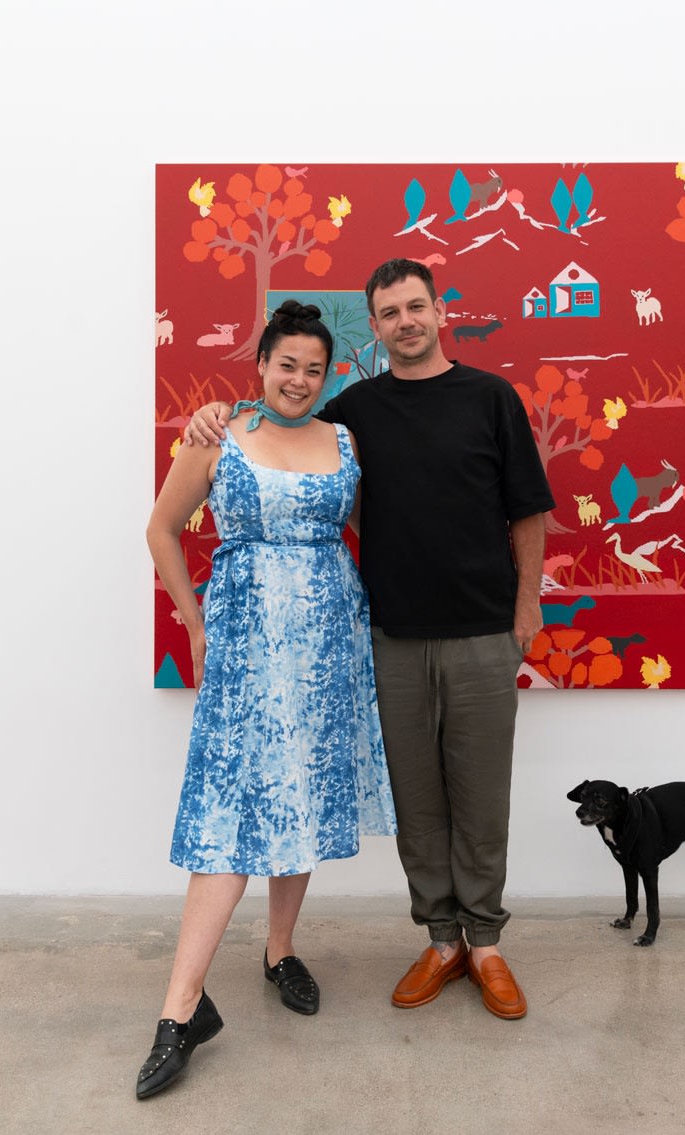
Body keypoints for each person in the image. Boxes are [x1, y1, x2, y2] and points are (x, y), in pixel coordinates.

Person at [186, 259, 553, 1021]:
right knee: (416, 801)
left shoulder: (491, 398)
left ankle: (485, 943)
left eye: (416, 306)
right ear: (376, 327)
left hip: (485, 630)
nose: (406, 320)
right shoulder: (352, 410)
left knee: (480, 797)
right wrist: (213, 414)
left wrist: (527, 611)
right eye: (390, 312)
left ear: (439, 311)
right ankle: (442, 939)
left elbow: (528, 512)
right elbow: (286, 434)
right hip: (385, 634)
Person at [139, 300, 397, 1100]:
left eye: (314, 369)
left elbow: (381, 525)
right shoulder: (218, 433)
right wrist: (193, 622)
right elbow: (161, 528)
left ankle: (279, 949)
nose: (298, 379)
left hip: (327, 643)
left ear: (328, 375)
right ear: (261, 363)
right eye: (286, 363)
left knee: (303, 795)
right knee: (231, 812)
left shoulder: (344, 440)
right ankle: (180, 1009)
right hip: (249, 642)